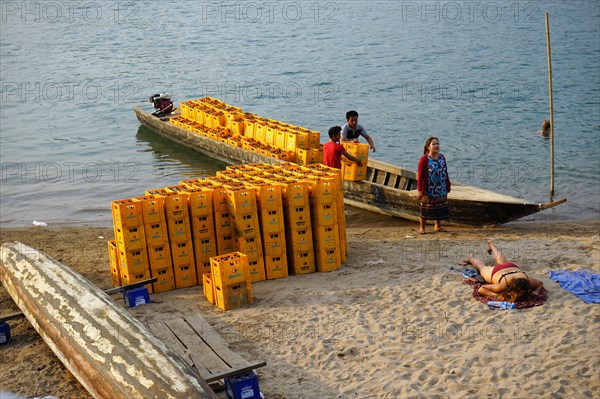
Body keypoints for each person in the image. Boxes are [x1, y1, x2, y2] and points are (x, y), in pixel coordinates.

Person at [460, 241, 545, 302]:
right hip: (498, 272)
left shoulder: (528, 280)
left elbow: (540, 283)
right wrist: (497, 295)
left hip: (511, 267)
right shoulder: (503, 285)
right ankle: (471, 258)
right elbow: (481, 289)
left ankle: (492, 246)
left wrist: (536, 291)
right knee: (481, 267)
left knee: (501, 262)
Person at [416, 136, 451, 234]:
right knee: (425, 209)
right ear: (428, 147)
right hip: (429, 189)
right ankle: (422, 228)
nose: (436, 146)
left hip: (441, 188)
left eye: (437, 144)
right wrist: (419, 190)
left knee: (440, 208)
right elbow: (420, 176)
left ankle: (437, 226)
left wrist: (448, 184)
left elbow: (445, 172)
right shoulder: (424, 159)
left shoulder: (442, 157)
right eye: (434, 144)